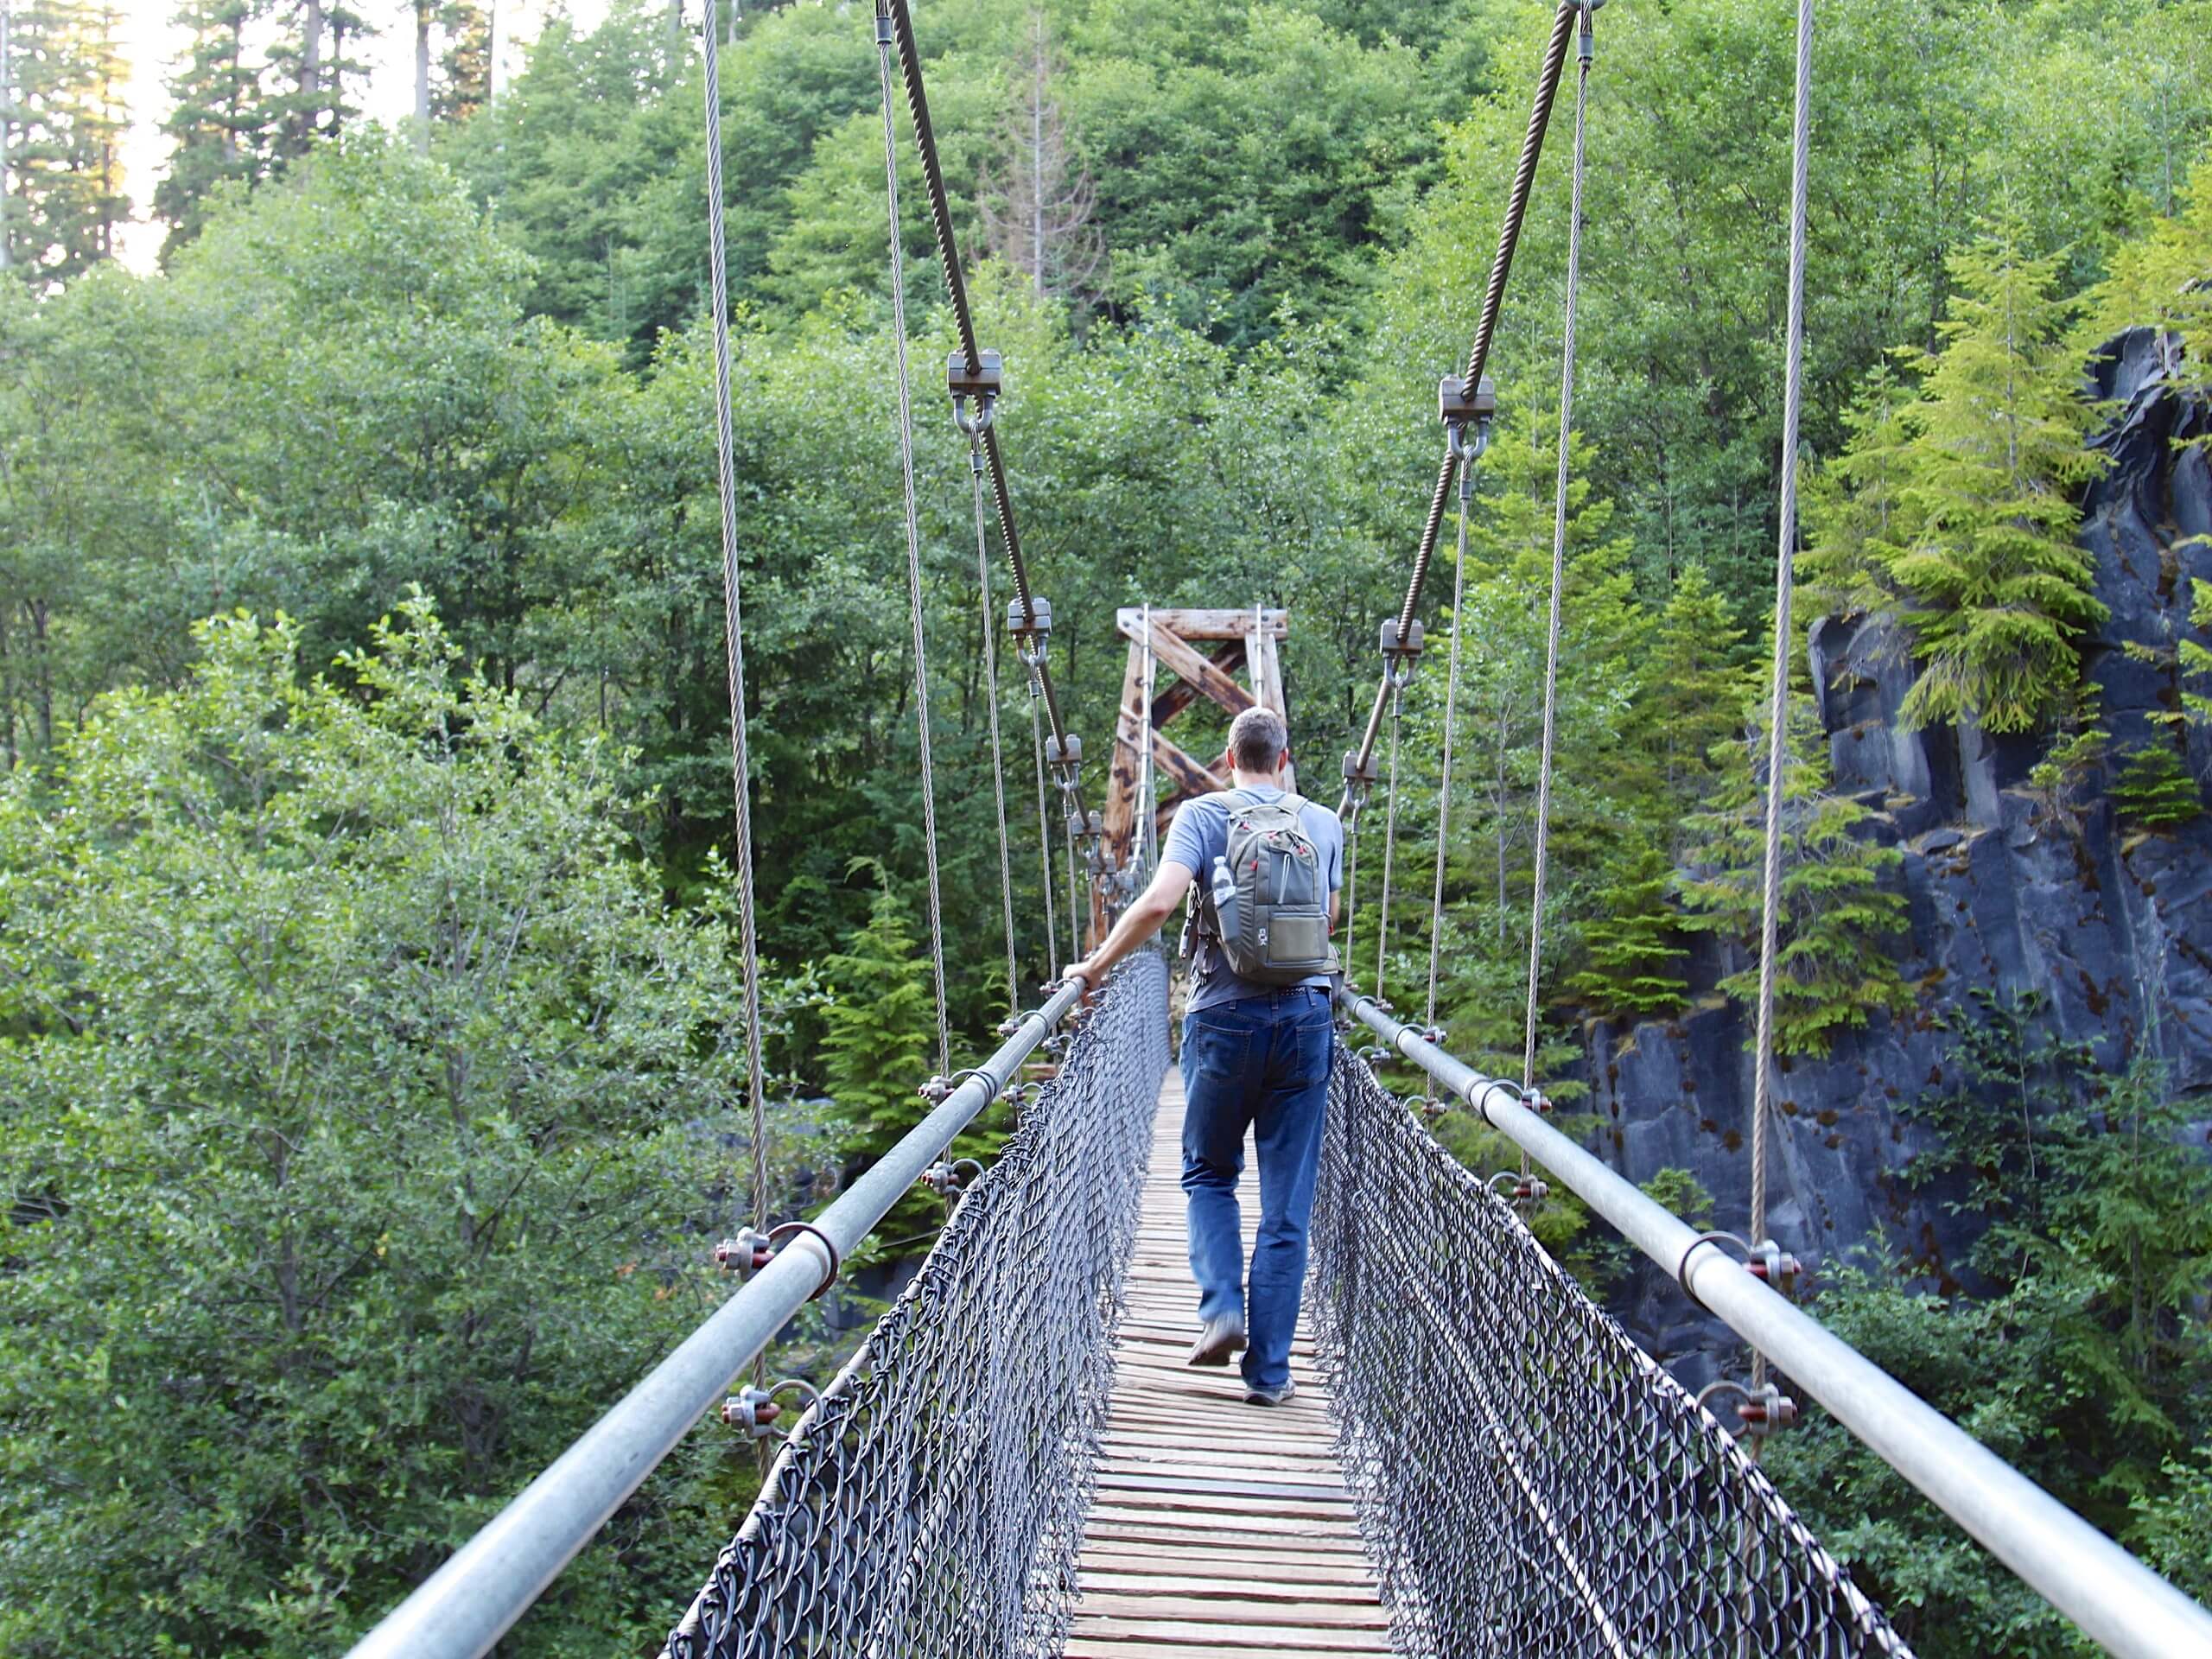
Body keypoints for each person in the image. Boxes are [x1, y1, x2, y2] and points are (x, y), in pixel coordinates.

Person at [1066, 705, 1343, 1406]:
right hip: (1307, 1020)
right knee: (1286, 1208)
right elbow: (1327, 924)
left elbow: (1159, 903)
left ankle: (1221, 1308)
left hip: (1223, 1016)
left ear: (1227, 756)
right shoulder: (1324, 823)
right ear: (1285, 758)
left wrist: (1094, 969)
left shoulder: (1202, 816)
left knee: (1210, 1173)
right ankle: (1271, 1377)